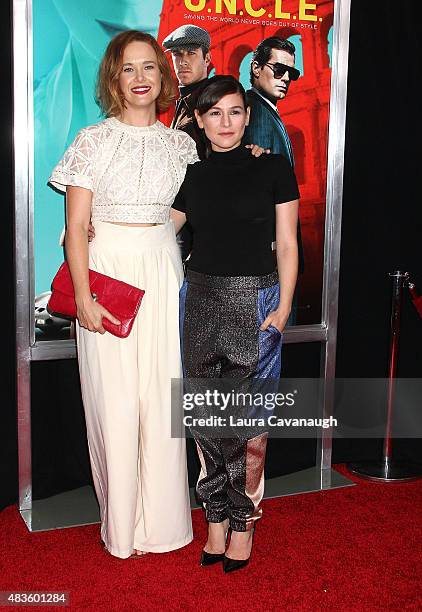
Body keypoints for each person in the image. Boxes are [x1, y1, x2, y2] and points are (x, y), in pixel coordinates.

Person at [48, 30, 198, 559]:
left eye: (149, 68)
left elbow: (188, 210)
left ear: (163, 77)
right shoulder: (92, 139)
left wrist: (157, 230)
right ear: (115, 78)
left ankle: (163, 526)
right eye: (128, 68)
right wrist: (84, 298)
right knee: (113, 401)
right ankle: (122, 530)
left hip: (162, 274)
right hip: (106, 276)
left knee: (162, 398)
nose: (140, 78)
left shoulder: (181, 145)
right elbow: (76, 222)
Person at [171, 75, 300, 572]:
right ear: (199, 122)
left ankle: (245, 520)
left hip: (257, 301)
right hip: (199, 300)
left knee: (248, 425)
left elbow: (288, 243)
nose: (225, 122)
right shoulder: (194, 176)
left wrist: (284, 305)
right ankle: (216, 517)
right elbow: (161, 229)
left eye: (234, 112)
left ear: (247, 117)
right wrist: (98, 225)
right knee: (207, 420)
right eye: (214, 114)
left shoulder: (273, 168)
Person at [245, 37, 304, 321]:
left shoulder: (265, 110)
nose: (285, 79)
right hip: (268, 262)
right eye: (278, 69)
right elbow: (257, 193)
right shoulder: (255, 111)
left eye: (290, 73)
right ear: (256, 68)